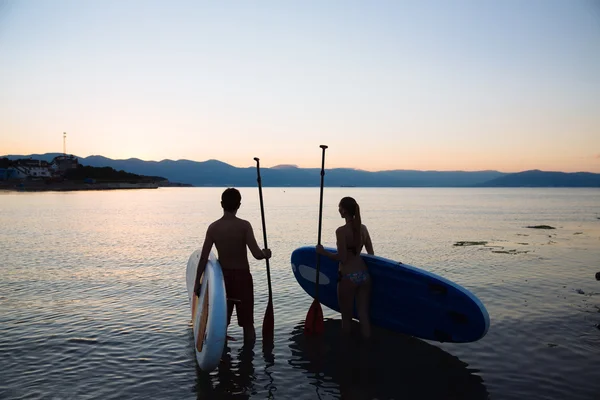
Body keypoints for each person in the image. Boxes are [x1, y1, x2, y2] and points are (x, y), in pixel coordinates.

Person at [194, 188, 272, 346]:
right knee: (248, 324)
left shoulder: (213, 228)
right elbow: (257, 254)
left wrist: (197, 281)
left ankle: (221, 355)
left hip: (223, 281)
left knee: (223, 322)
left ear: (221, 204)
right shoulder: (244, 226)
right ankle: (248, 359)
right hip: (243, 279)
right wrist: (266, 254)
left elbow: (203, 257)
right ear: (239, 205)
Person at [316, 196, 374, 339]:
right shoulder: (363, 228)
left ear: (344, 210)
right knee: (363, 315)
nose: (338, 210)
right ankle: (367, 346)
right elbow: (371, 253)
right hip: (364, 275)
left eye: (339, 208)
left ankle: (346, 352)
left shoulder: (341, 231)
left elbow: (342, 257)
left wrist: (324, 253)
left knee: (346, 318)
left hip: (348, 276)